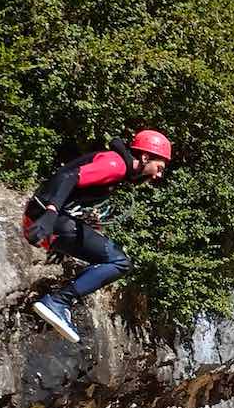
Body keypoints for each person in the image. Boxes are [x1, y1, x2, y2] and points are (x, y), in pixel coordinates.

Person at [23, 129, 173, 342]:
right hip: (46, 218)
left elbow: (74, 190)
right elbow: (69, 177)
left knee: (113, 258)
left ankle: (60, 301)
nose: (158, 175)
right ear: (145, 157)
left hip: (49, 219)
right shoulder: (115, 165)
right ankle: (58, 301)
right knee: (120, 262)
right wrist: (51, 213)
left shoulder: (119, 168)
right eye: (159, 168)